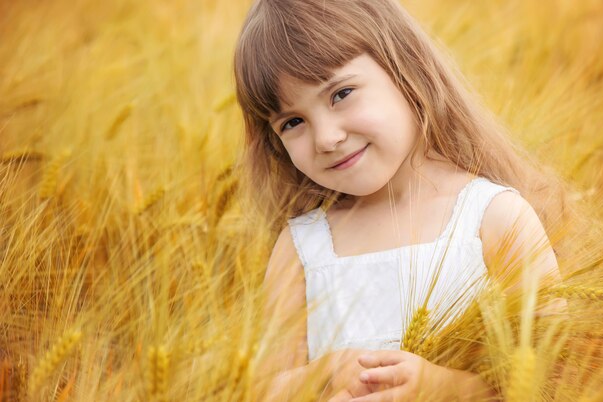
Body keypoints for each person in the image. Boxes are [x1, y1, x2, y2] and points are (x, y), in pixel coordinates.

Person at [233, 0, 566, 400]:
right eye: (292, 122)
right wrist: (325, 372)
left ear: (406, 71)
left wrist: (446, 388)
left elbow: (555, 378)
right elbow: (264, 388)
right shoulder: (302, 248)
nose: (326, 138)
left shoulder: (495, 218)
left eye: (341, 94)